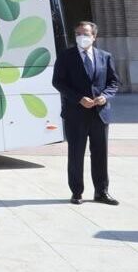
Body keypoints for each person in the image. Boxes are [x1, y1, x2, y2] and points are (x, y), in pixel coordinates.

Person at [51, 21, 120, 205]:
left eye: (86, 33)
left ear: (94, 36)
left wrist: (105, 96)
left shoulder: (105, 57)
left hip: (100, 113)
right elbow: (58, 82)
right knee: (76, 154)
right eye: (78, 33)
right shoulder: (66, 57)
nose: (82, 36)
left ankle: (101, 191)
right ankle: (77, 192)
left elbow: (113, 82)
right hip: (75, 114)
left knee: (100, 153)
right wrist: (79, 98)